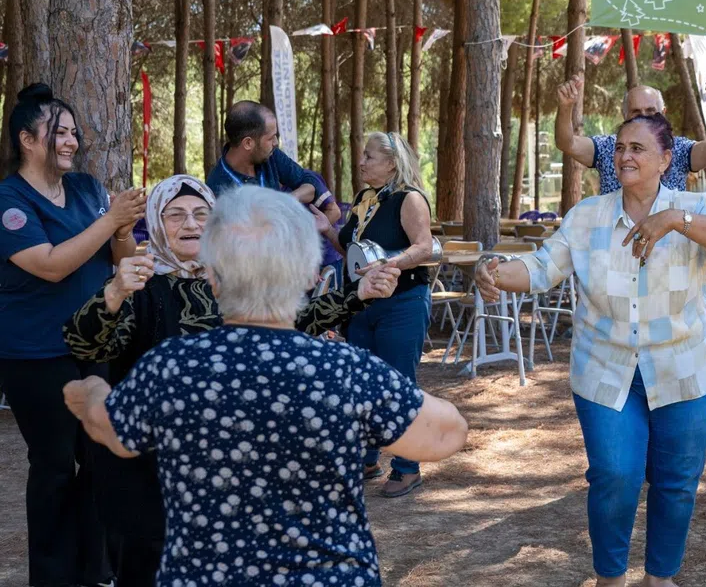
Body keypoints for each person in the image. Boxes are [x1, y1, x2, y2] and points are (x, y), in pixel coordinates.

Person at [62, 186, 468, 587]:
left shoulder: (170, 368)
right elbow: (447, 432)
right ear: (308, 276)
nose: (190, 224)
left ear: (216, 279)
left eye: (200, 214)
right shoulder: (347, 372)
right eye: (175, 214)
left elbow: (109, 427)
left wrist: (92, 392)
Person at [475, 113, 706, 587]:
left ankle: (660, 578)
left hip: (684, 367)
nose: (625, 156)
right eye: (620, 147)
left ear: (666, 160)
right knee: (615, 476)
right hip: (606, 367)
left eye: (638, 148)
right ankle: (611, 578)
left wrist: (675, 220)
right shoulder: (587, 216)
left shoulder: (693, 205)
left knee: (676, 484)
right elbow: (540, 269)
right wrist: (493, 268)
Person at [0, 83, 146, 587]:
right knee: (56, 465)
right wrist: (111, 220)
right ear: (27, 139)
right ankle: (52, 573)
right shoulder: (9, 200)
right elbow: (50, 266)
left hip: (94, 345)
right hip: (36, 355)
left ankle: (96, 568)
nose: (71, 141)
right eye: (58, 132)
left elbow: (122, 258)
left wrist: (123, 227)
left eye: (73, 132)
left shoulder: (86, 188)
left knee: (103, 458)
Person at [318, 131, 437, 497]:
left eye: (369, 156)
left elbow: (425, 246)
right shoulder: (364, 199)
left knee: (398, 386)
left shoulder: (409, 198)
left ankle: (406, 467)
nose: (362, 162)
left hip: (401, 304)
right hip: (360, 304)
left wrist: (390, 264)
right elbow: (353, 254)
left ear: (391, 162)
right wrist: (328, 231)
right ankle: (367, 459)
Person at [555, 73, 706, 195]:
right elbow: (567, 143)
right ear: (625, 115)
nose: (645, 118)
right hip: (616, 243)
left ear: (663, 112)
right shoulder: (607, 147)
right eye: (636, 112)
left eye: (651, 111)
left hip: (667, 244)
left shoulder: (679, 148)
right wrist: (565, 107)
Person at [204, 99, 320, 202]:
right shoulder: (217, 189)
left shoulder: (271, 155)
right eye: (270, 138)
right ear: (248, 143)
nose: (276, 142)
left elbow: (310, 182)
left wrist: (289, 199)